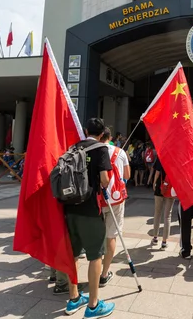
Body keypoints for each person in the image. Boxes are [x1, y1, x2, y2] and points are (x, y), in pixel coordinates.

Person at [63, 118, 115, 317]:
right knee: (95, 255)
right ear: (102, 134)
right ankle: (93, 305)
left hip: (69, 207)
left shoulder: (74, 147)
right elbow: (104, 179)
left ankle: (73, 298)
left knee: (74, 253)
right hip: (89, 208)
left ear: (86, 130)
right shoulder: (100, 149)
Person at [100, 127, 130, 287]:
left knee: (97, 236)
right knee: (111, 235)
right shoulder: (120, 152)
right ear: (110, 137)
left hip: (97, 198)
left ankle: (94, 266)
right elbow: (127, 176)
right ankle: (104, 273)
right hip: (116, 198)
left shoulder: (91, 150)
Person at [151, 156, 174, 249]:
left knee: (157, 213)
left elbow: (157, 173)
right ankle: (164, 241)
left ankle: (155, 237)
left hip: (159, 188)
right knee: (167, 216)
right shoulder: (175, 158)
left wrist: (154, 183)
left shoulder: (161, 157)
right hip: (170, 188)